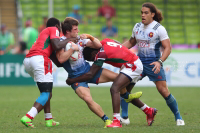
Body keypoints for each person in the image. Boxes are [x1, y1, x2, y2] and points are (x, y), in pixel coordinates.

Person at [66, 38, 157, 128]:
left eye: (92, 59)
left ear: (93, 53)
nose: (94, 61)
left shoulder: (100, 55)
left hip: (132, 66)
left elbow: (90, 75)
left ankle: (117, 121)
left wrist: (71, 80)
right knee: (122, 92)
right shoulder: (105, 41)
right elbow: (118, 43)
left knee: (114, 89)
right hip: (132, 62)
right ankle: (148, 110)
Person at [122, 2, 185, 126]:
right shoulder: (137, 26)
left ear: (152, 14)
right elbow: (131, 42)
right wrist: (118, 49)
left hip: (153, 63)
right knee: (124, 87)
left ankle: (178, 116)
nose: (143, 15)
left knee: (163, 91)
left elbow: (168, 48)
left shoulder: (158, 28)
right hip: (138, 62)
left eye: (146, 13)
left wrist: (160, 62)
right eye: (141, 12)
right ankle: (124, 117)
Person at [20, 17, 79, 128]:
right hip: (39, 59)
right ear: (57, 26)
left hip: (28, 60)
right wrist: (70, 40)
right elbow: (57, 45)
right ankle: (28, 117)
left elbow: (59, 62)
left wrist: (69, 56)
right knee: (46, 93)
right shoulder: (53, 29)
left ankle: (49, 119)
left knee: (46, 93)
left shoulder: (45, 39)